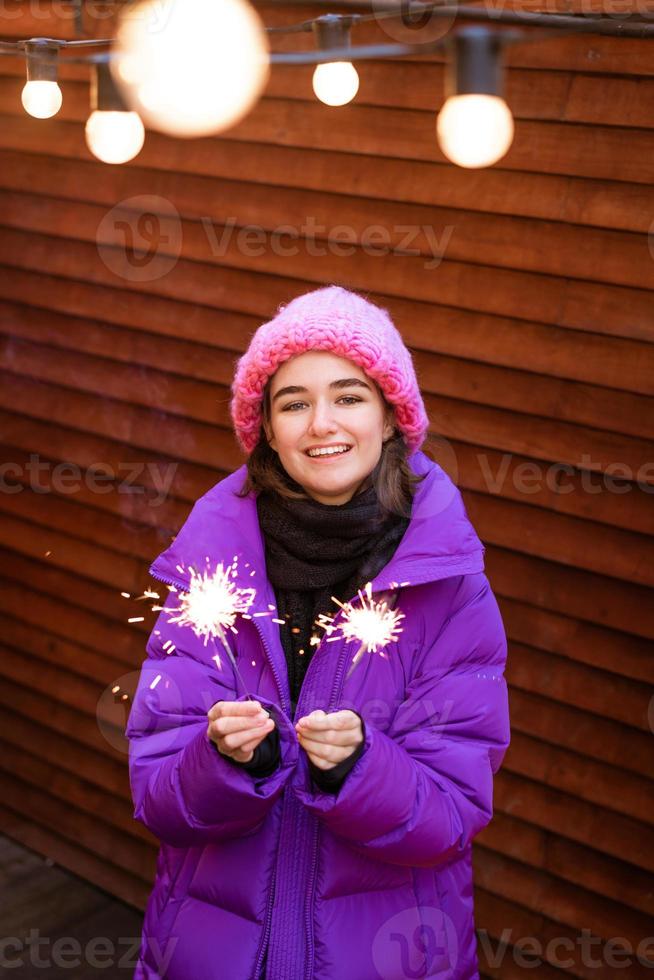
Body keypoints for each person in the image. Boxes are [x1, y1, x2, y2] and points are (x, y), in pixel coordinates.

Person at [126, 284, 511, 980]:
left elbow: (452, 814)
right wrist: (224, 762)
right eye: (293, 403)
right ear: (266, 429)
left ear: (391, 418)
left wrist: (361, 770)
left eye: (349, 395)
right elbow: (158, 796)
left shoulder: (450, 585)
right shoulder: (210, 569)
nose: (320, 423)